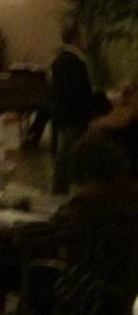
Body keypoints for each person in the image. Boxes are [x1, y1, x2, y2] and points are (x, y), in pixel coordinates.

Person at [50, 23, 95, 194]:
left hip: (64, 116)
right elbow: (76, 93)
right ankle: (84, 192)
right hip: (74, 118)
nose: (85, 40)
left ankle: (59, 190)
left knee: (63, 156)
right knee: (81, 156)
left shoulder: (61, 60)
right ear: (75, 39)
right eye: (83, 37)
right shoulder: (73, 62)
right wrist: (88, 115)